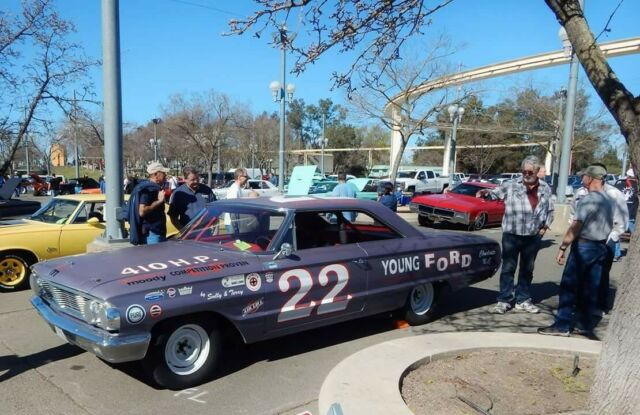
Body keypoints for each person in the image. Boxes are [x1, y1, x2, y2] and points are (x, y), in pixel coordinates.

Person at [538, 165, 613, 337]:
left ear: (591, 178)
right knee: (590, 287)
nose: (581, 179)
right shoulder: (608, 200)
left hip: (585, 246)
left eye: (584, 176)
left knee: (569, 286)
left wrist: (562, 247)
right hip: (601, 246)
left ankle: (562, 325)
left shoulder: (589, 200)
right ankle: (584, 323)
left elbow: (575, 226)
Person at [476, 155, 553, 315]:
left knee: (527, 269)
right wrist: (485, 193)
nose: (526, 175)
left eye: (530, 172)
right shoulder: (511, 185)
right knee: (508, 268)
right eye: (523, 171)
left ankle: (523, 299)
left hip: (532, 236)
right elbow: (495, 193)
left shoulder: (545, 187)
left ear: (537, 171)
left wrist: (545, 227)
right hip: (512, 235)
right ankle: (504, 300)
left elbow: (550, 209)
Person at [128, 161, 169, 245]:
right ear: (156, 174)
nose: (165, 175)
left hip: (155, 232)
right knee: (155, 258)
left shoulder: (151, 187)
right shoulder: (149, 189)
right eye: (163, 173)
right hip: (152, 234)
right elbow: (142, 211)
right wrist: (159, 201)